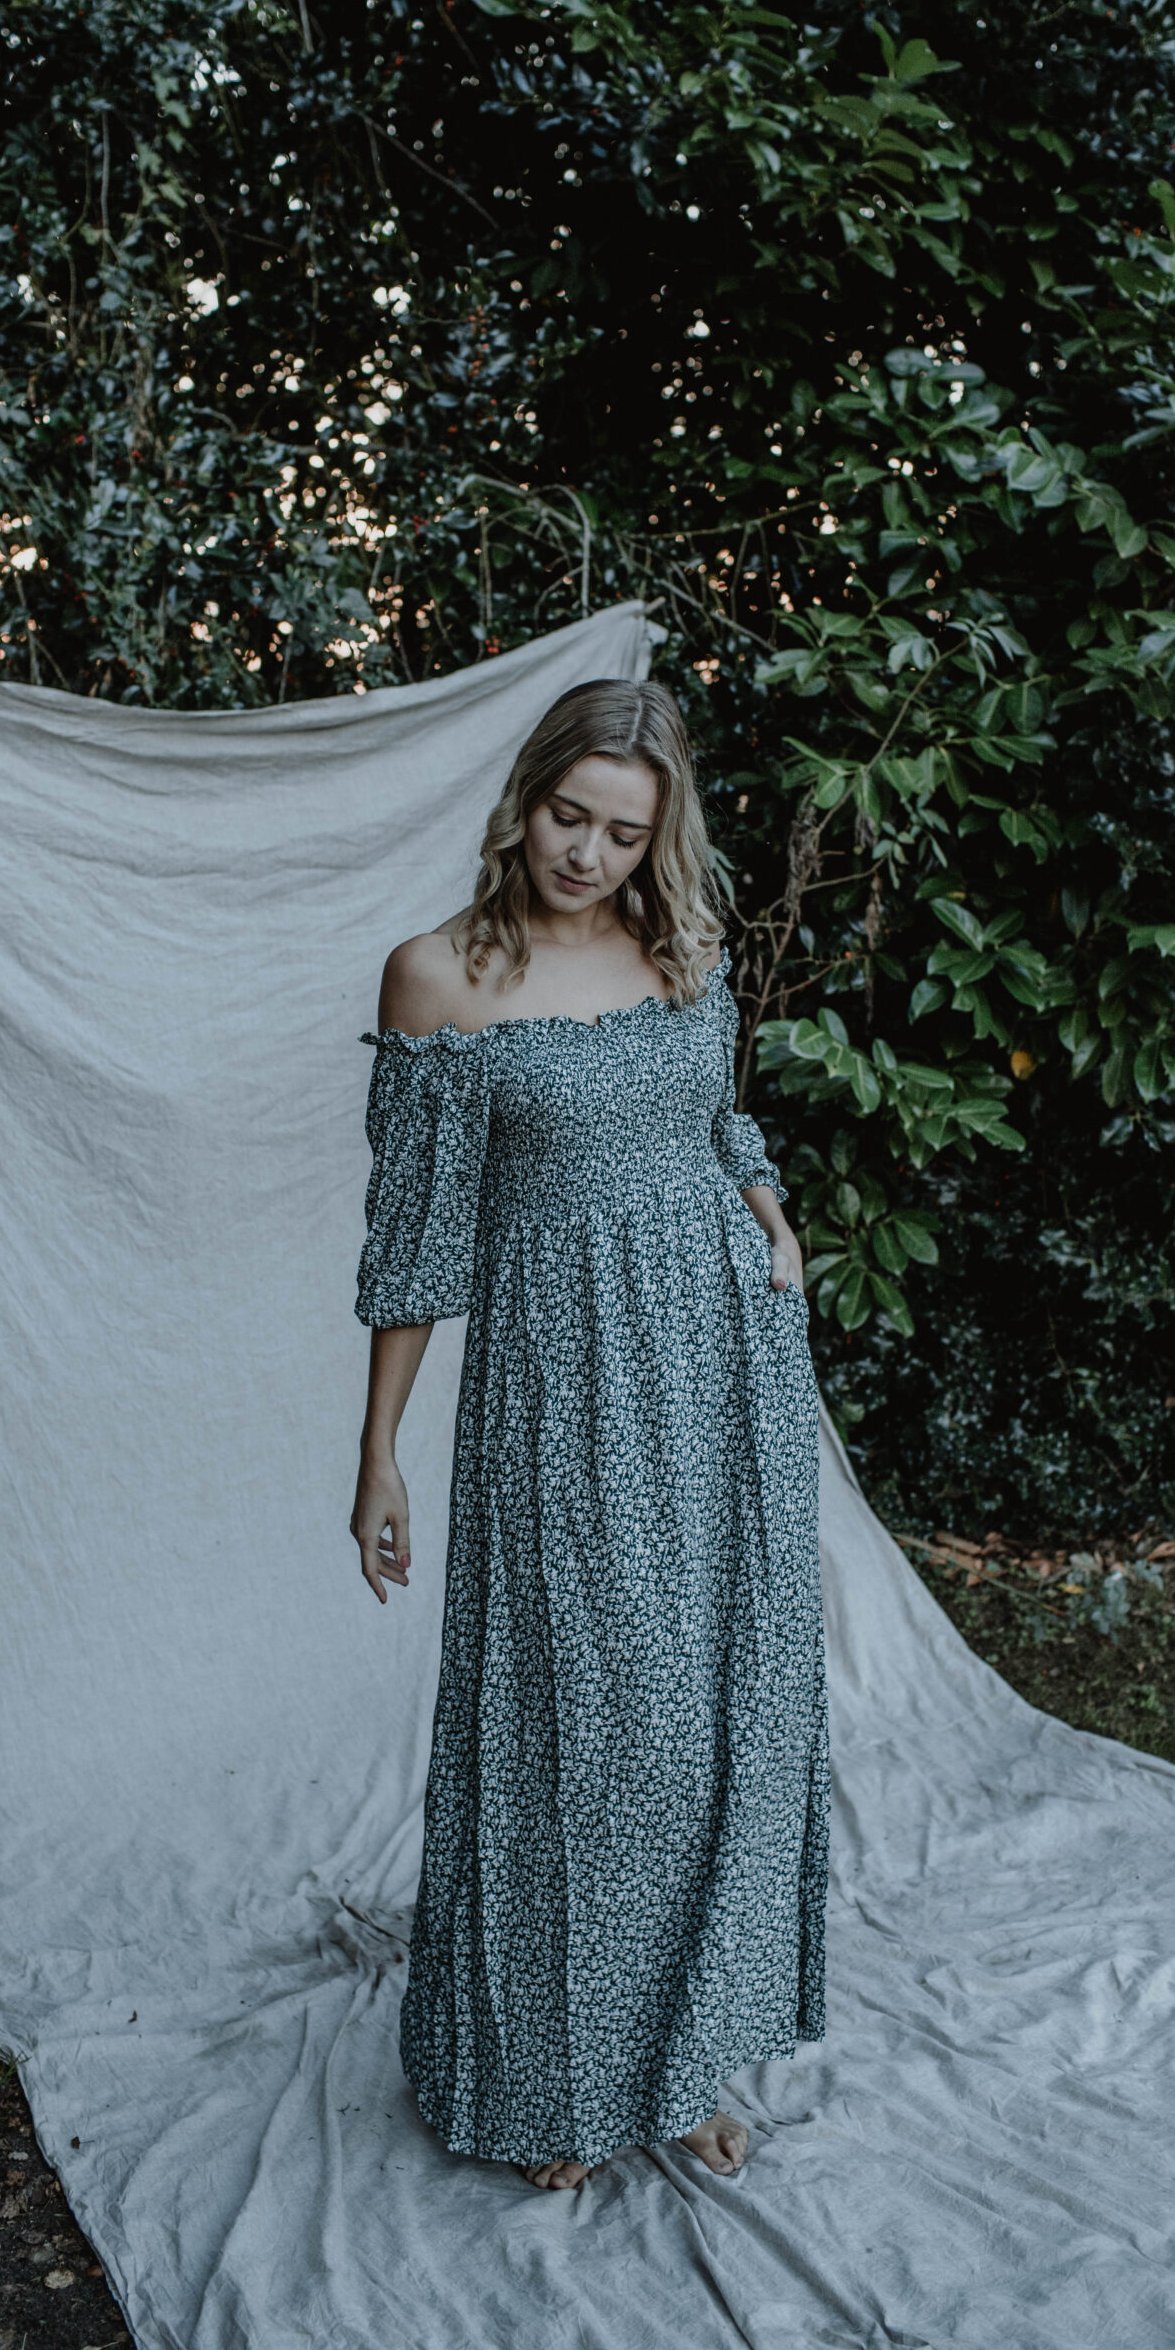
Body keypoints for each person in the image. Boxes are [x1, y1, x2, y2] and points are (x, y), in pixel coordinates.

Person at [349, 677, 828, 2193]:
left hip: (724, 1373)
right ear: (526, 798)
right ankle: (554, 2078)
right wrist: (378, 1456)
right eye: (572, 817)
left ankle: (680, 2057)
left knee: (714, 1721)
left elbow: (716, 1120)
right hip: (563, 1392)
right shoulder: (438, 977)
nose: (590, 855)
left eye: (625, 835)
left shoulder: (682, 945)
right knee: (579, 1734)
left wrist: (767, 1208)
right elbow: (416, 1243)